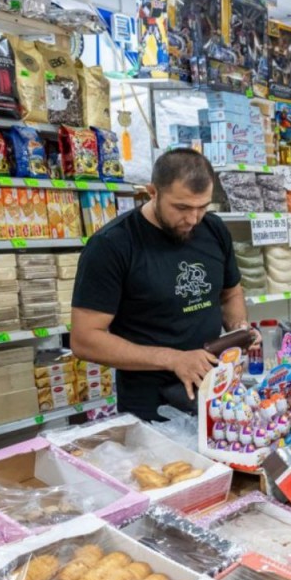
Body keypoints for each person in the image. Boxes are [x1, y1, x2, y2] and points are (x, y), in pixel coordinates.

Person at [71, 149, 251, 422]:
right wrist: (174, 359)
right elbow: (85, 339)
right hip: (150, 406)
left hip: (214, 389)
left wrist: (239, 332)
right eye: (181, 208)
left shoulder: (214, 230)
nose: (193, 220)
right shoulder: (112, 245)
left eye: (202, 207)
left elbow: (230, 293)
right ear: (152, 192)